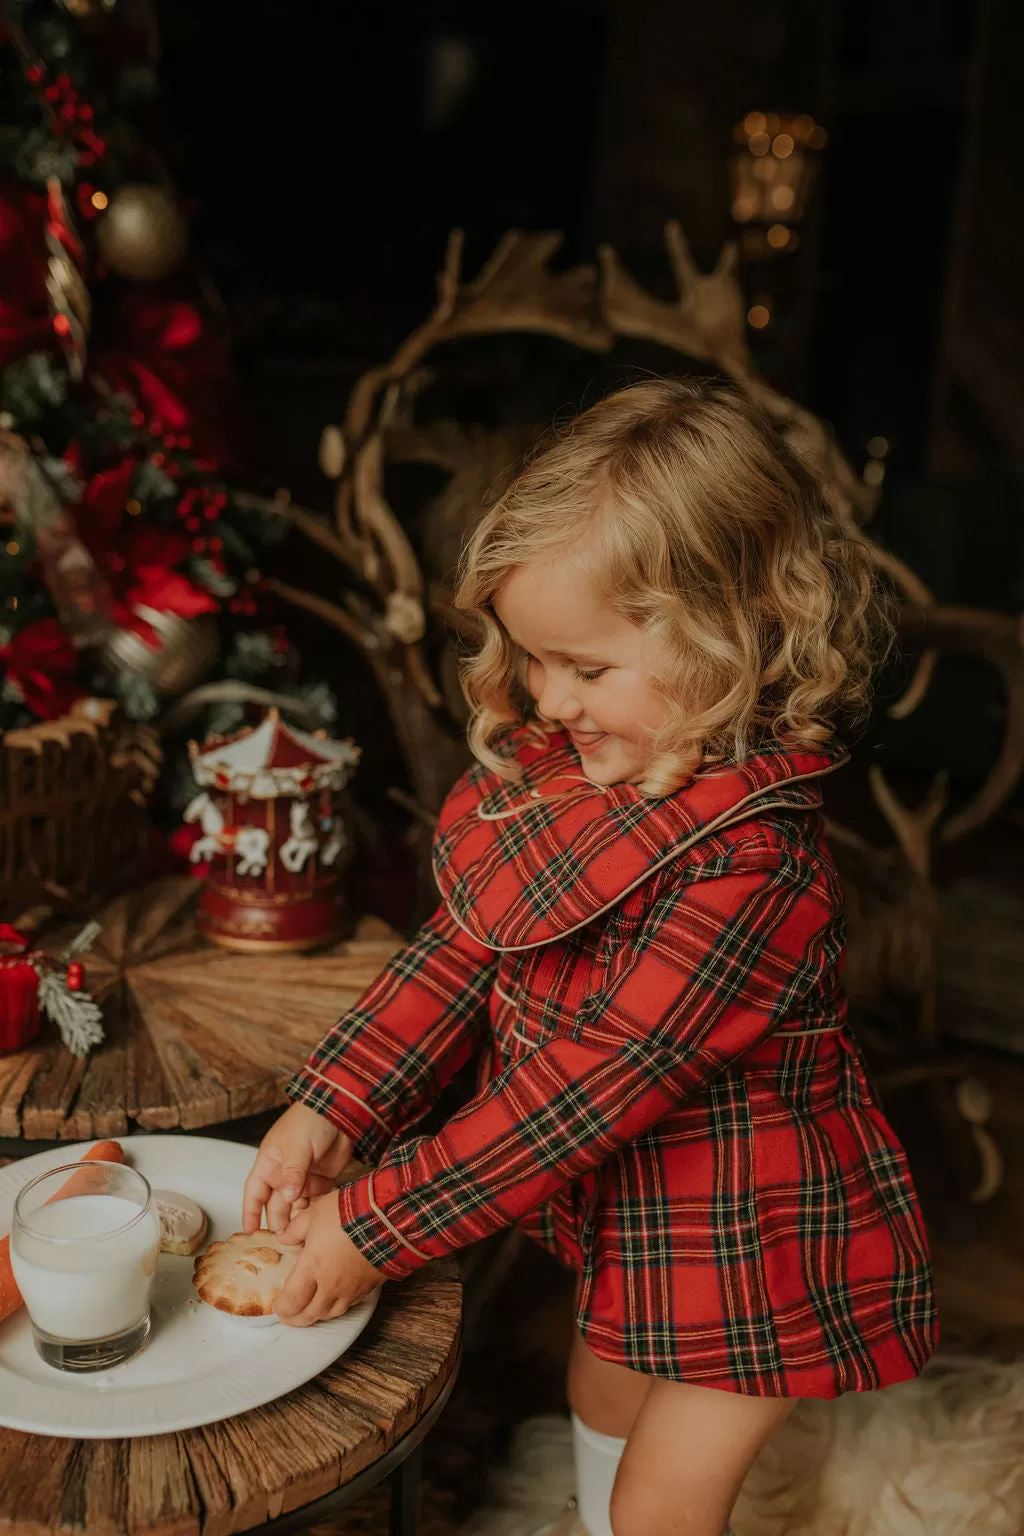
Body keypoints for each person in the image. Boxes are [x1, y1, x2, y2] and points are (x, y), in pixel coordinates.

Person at [242, 378, 937, 1536]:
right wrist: (334, 1106)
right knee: (595, 1392)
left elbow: (578, 1096)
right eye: (531, 659)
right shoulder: (575, 769)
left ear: (735, 632)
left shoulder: (753, 871)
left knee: (664, 1502)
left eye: (587, 668)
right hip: (642, 1215)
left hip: (751, 1237)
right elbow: (460, 950)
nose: (549, 699)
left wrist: (376, 1224)